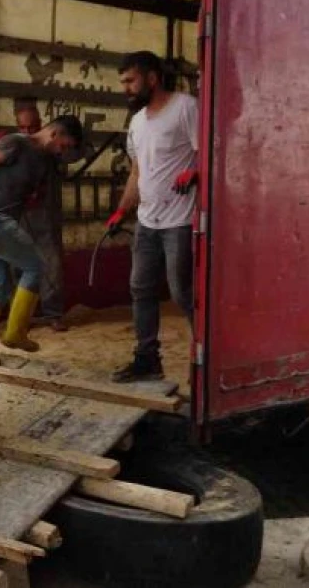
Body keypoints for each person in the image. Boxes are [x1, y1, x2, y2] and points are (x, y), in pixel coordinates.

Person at [106, 51, 198, 383]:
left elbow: (209, 153)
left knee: (183, 294)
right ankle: (147, 360)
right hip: (147, 221)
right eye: (123, 82)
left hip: (180, 222)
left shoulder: (185, 107)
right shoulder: (137, 122)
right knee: (140, 289)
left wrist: (195, 172)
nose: (126, 88)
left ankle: (203, 359)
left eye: (130, 80)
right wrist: (121, 210)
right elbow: (137, 172)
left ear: (152, 78)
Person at [0, 115, 84, 365]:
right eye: (65, 145)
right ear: (54, 134)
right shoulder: (15, 143)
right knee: (37, 266)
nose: (64, 151)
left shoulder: (43, 159)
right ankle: (16, 332)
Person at [0, 105, 71, 333]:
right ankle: (21, 316)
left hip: (45, 212)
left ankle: (53, 313)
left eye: (32, 126)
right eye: (22, 126)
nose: (26, 131)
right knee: (17, 265)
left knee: (51, 261)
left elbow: (74, 153)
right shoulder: (13, 144)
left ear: (42, 124)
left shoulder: (51, 147)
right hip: (19, 213)